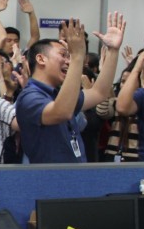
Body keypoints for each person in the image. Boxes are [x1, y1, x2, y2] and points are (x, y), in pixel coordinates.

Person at [16, 14, 123, 163]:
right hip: (50, 181)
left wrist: (113, 51)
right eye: (63, 55)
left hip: (74, 176)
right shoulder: (30, 97)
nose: (68, 61)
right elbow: (61, 112)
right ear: (41, 59)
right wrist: (77, 57)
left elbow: (99, 93)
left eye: (69, 56)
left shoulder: (58, 93)